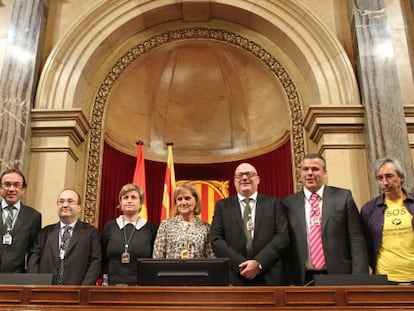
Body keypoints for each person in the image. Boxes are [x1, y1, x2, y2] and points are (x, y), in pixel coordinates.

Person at [283, 153, 368, 285]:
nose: (310, 173)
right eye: (305, 169)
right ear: (301, 173)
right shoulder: (289, 203)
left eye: (315, 169)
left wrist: (360, 278)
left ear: (324, 173)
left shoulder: (343, 197)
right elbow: (286, 245)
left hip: (339, 275)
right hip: (302, 278)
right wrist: (288, 281)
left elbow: (356, 239)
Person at [210, 163, 289, 286]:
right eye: (240, 175)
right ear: (235, 181)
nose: (245, 178)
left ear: (258, 179)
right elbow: (216, 239)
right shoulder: (222, 206)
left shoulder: (274, 203)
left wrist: (259, 262)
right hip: (234, 277)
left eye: (249, 174)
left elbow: (282, 237)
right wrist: (241, 264)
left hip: (269, 275)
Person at [27, 189, 101, 285]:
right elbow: (33, 262)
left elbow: (95, 262)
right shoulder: (45, 233)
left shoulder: (90, 233)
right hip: (45, 291)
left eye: (70, 201)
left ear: (79, 207)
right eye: (61, 201)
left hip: (77, 292)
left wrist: (84, 289)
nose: (65, 205)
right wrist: (36, 285)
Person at [361, 157, 414, 284]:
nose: (385, 183)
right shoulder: (369, 209)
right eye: (380, 178)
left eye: (389, 176)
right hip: (385, 279)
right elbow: (365, 244)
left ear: (401, 178)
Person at [101, 183, 157, 285]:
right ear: (120, 202)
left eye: (134, 197)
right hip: (112, 286)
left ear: (141, 203)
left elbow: (154, 260)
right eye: (125, 197)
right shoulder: (110, 226)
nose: (129, 200)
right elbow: (103, 258)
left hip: (140, 287)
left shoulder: (151, 228)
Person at [153, 183, 214, 259]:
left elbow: (211, 258)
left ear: (196, 201)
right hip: (170, 270)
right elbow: (158, 256)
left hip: (197, 270)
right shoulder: (166, 225)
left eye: (187, 198)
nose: (183, 202)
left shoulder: (206, 228)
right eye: (179, 199)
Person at [0, 168, 41, 272]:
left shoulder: (33, 217)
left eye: (16, 185)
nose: (11, 189)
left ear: (23, 189)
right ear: (1, 188)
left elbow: (33, 250)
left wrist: (31, 277)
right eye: (7, 184)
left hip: (16, 277)